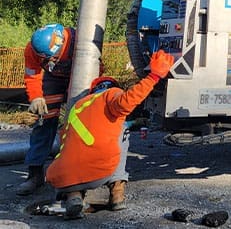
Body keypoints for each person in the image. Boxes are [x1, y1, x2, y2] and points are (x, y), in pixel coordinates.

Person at [45, 49, 175, 219]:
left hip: (61, 176)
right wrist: (154, 77)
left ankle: (74, 197)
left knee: (73, 153)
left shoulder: (78, 106)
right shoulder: (110, 95)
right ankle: (117, 194)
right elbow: (127, 102)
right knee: (122, 132)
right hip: (102, 171)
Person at [17, 23, 76, 196]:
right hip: (54, 79)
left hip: (81, 75)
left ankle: (77, 172)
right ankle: (35, 175)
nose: (48, 63)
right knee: (44, 122)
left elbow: (96, 66)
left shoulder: (79, 42)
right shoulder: (33, 50)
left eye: (51, 59)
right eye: (44, 60)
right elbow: (32, 74)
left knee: (81, 124)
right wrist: (36, 97)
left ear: (61, 44)